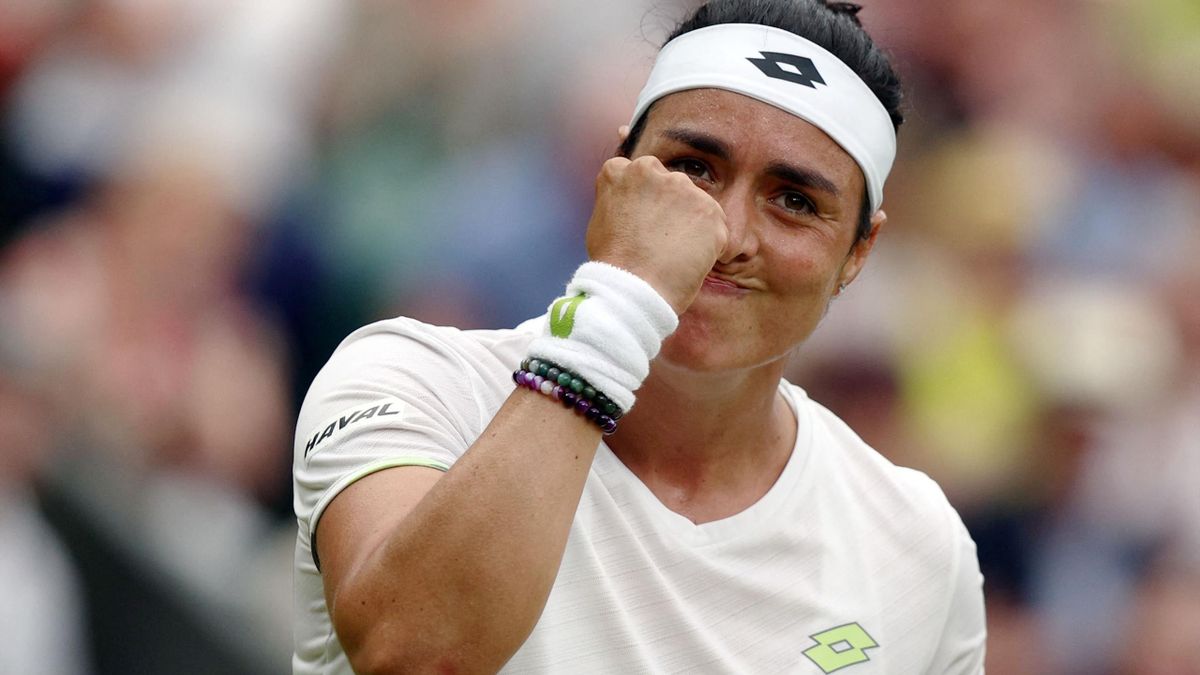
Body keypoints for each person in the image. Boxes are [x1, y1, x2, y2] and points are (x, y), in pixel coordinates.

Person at [292, 0, 987, 672]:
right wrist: (622, 301)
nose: (726, 234)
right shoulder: (410, 382)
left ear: (859, 252)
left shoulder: (917, 543)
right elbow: (415, 656)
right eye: (692, 168)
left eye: (794, 201)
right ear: (616, 173)